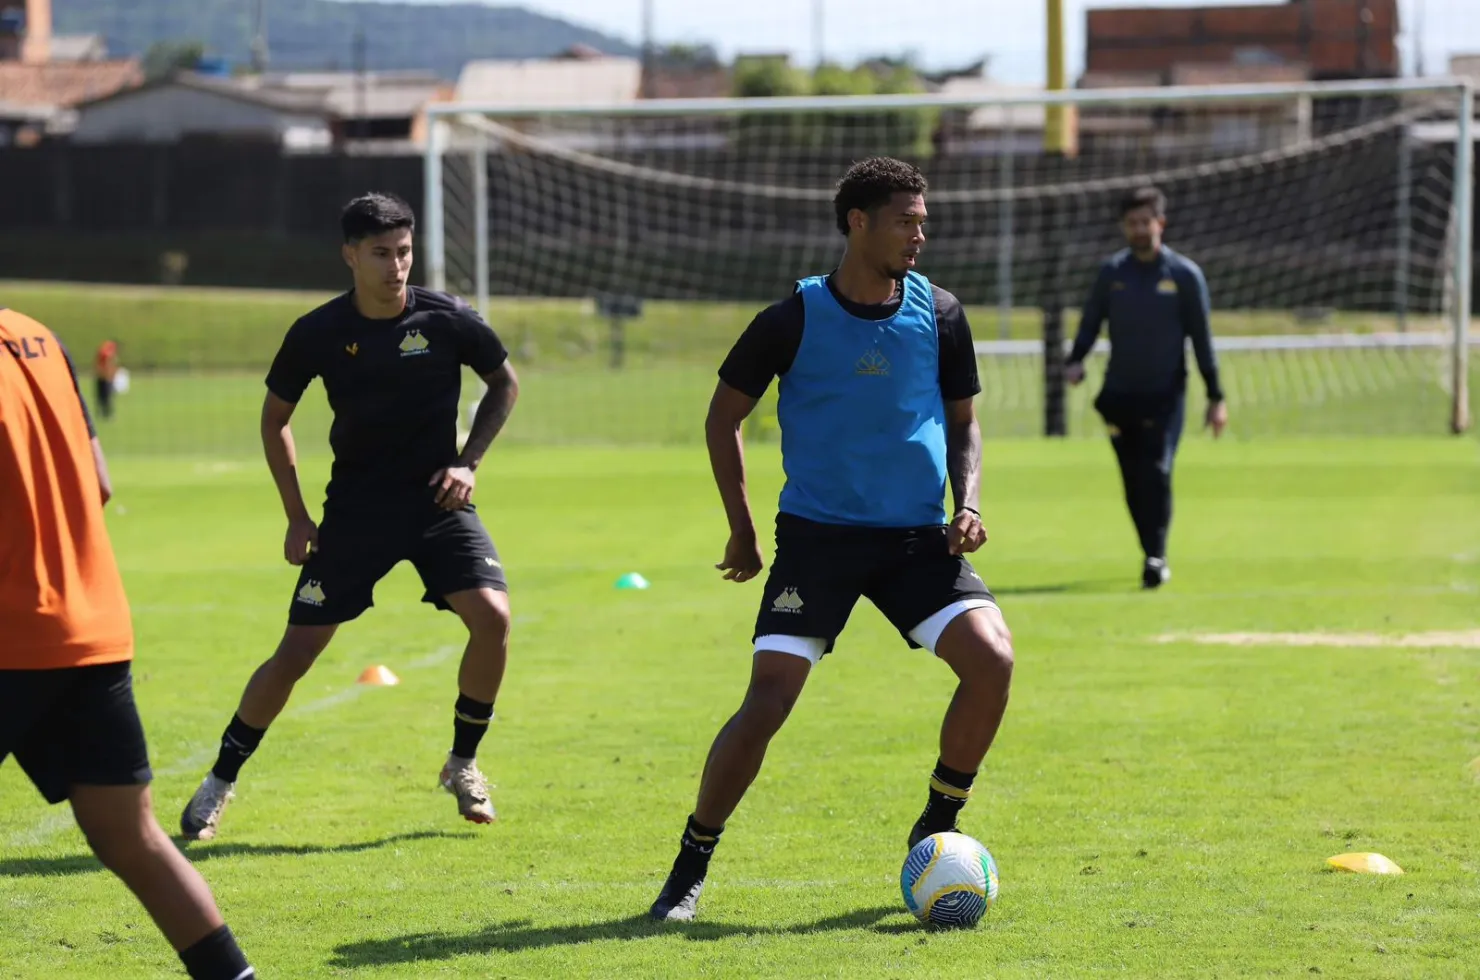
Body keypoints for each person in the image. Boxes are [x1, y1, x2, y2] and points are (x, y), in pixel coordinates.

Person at [648, 158, 1015, 922]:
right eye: (906, 220)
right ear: (858, 222)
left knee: (992, 661)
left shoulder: (942, 312)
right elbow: (723, 419)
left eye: (923, 219)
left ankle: (937, 824)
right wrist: (744, 531)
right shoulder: (792, 318)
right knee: (769, 699)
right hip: (818, 541)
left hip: (917, 539)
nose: (921, 233)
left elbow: (964, 423)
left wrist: (968, 502)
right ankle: (692, 862)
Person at [179, 192, 519, 840]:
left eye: (405, 252)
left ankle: (463, 762)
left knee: (493, 617)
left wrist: (469, 461)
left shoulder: (447, 318)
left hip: (437, 502)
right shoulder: (319, 332)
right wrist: (296, 516)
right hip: (357, 512)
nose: (397, 266)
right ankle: (220, 779)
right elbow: (275, 419)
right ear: (350, 256)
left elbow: (505, 381)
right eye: (382, 254)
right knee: (297, 652)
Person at [1, 309, 256, 979]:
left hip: (10, 630)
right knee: (132, 838)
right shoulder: (37, 338)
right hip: (91, 625)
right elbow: (101, 482)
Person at [1065, 186, 1228, 590]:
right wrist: (1076, 361)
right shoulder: (1112, 274)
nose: (1139, 229)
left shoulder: (1184, 276)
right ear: (1124, 227)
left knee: (1158, 471)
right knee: (1133, 481)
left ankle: (1156, 556)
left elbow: (1202, 339)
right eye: (1132, 223)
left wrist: (1216, 396)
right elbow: (1090, 323)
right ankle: (1150, 549)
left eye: (1146, 222)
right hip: (1119, 397)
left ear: (1161, 223)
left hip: (1165, 396)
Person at [95, 338, 119, 419]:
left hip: (102, 376)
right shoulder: (108, 354)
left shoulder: (103, 353)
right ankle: (106, 413)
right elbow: (109, 364)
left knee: (103, 396)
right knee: (106, 396)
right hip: (106, 377)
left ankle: (104, 413)